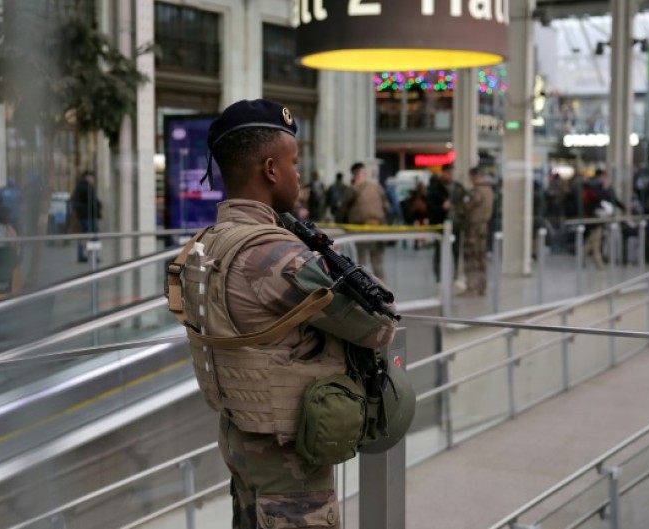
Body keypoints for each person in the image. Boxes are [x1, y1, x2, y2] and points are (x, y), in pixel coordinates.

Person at [171, 99, 395, 529]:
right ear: (271, 169)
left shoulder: (208, 242)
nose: (299, 174)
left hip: (243, 443)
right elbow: (380, 325)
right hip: (289, 463)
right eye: (294, 162)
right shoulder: (273, 255)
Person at [343, 162, 389, 280]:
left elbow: (343, 208)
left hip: (360, 229)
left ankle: (365, 289)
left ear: (353, 175)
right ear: (364, 173)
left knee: (362, 260)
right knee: (377, 260)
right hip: (377, 227)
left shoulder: (351, 189)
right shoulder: (376, 187)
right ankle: (383, 289)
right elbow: (386, 205)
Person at [426, 163, 466, 280]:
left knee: (456, 250)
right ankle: (439, 276)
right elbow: (430, 206)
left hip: (456, 224)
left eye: (452, 172)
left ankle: (455, 276)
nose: (450, 175)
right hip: (440, 223)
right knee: (439, 251)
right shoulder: (434, 188)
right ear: (443, 173)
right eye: (448, 172)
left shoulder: (458, 187)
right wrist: (441, 207)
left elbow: (464, 204)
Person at [461, 167, 495, 296]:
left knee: (471, 257)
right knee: (481, 257)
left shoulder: (475, 192)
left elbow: (465, 207)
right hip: (484, 227)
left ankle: (472, 287)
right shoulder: (489, 190)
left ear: (473, 177)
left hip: (473, 228)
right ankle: (482, 286)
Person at [71, 170, 102, 263]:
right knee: (94, 236)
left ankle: (82, 255)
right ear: (88, 177)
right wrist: (98, 205)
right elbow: (92, 201)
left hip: (85, 216)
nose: (93, 180)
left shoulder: (82, 186)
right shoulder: (86, 187)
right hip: (88, 216)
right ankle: (92, 255)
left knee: (84, 236)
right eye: (92, 177)